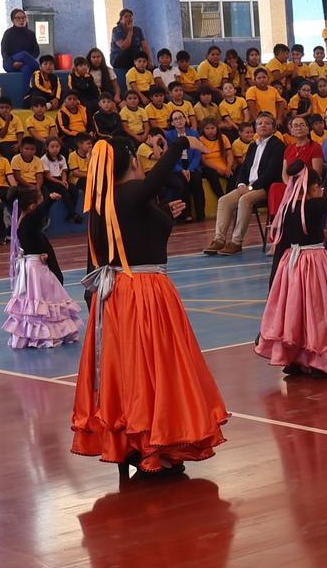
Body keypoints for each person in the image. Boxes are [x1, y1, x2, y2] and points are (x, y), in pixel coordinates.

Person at [72, 137, 228, 477]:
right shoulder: (131, 193)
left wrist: (160, 215)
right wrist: (181, 143)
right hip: (142, 292)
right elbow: (155, 179)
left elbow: (132, 234)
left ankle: (136, 444)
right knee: (153, 371)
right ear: (132, 162)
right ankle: (152, 447)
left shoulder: (106, 202)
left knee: (131, 373)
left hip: (117, 295)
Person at [254, 159, 327, 378]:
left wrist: (324, 232)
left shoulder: (288, 207)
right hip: (313, 264)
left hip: (292, 264)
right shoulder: (314, 205)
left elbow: (299, 229)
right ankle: (318, 360)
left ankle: (295, 359)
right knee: (318, 312)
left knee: (296, 313)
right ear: (314, 187)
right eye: (319, 188)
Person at [3, 195, 80, 350]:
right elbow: (40, 212)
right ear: (32, 207)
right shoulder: (28, 221)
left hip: (31, 265)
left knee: (33, 301)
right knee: (45, 299)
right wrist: (50, 199)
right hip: (36, 268)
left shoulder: (20, 222)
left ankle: (35, 334)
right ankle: (44, 336)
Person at [206, 112, 281, 255]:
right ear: (256, 128)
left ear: (273, 128)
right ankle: (219, 240)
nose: (262, 126)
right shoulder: (253, 146)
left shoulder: (277, 146)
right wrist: (241, 184)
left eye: (266, 123)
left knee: (245, 200)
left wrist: (251, 187)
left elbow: (272, 172)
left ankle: (236, 242)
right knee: (224, 200)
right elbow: (244, 168)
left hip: (265, 187)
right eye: (259, 123)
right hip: (247, 186)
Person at [0, 9, 39, 75]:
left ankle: (30, 85)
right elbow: (4, 52)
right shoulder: (8, 33)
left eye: (23, 18)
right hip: (10, 62)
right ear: (12, 20)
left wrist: (26, 61)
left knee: (27, 69)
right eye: (18, 18)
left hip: (25, 62)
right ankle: (42, 70)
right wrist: (12, 62)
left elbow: (36, 51)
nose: (21, 20)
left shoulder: (30, 34)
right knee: (23, 54)